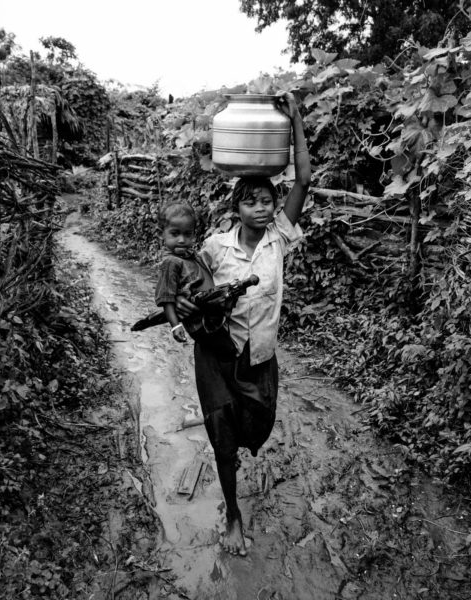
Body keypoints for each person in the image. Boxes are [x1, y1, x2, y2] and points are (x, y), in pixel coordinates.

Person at [176, 90, 311, 556]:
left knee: (259, 425)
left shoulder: (280, 239)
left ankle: (238, 456)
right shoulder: (215, 246)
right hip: (218, 357)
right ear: (237, 208)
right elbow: (189, 287)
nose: (261, 207)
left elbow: (305, 180)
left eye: (267, 200)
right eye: (251, 201)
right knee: (224, 437)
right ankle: (233, 513)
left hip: (260, 357)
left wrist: (294, 121)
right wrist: (190, 307)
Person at [154, 202, 212, 343]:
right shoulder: (171, 263)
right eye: (175, 234)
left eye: (187, 234)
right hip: (200, 324)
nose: (182, 240)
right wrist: (175, 326)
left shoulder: (191, 255)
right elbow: (167, 300)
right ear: (161, 234)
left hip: (209, 317)